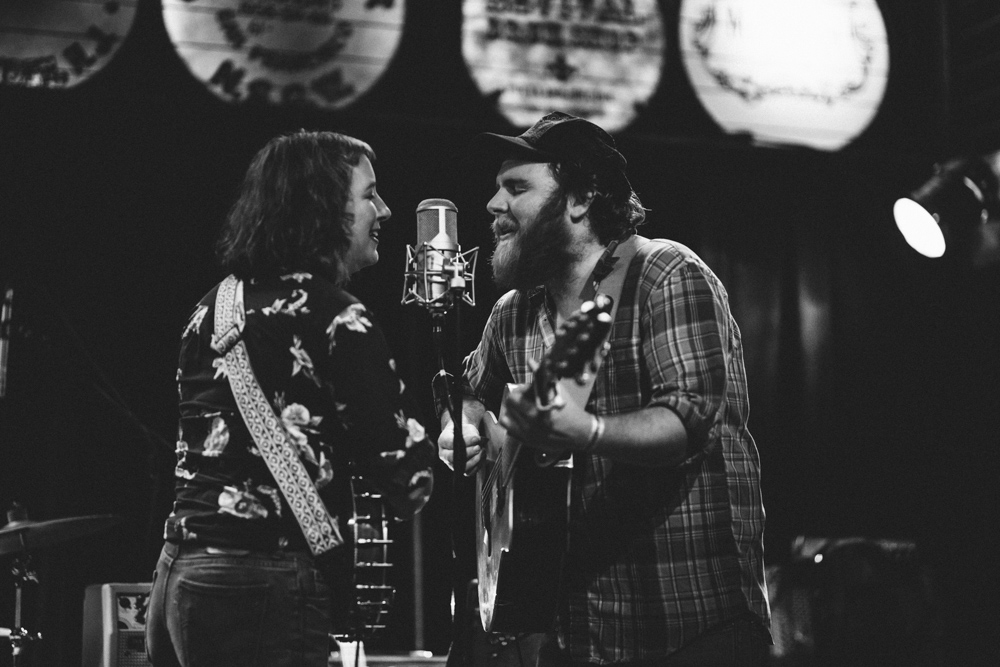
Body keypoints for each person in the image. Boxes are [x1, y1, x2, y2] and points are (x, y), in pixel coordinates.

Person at [437, 112, 770, 666]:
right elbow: (467, 393)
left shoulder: (664, 274)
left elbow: (688, 423)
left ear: (581, 199)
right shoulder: (513, 314)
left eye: (516, 187)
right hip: (574, 632)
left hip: (689, 623)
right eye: (497, 189)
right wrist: (462, 425)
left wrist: (586, 430)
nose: (493, 205)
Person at [146, 130, 435, 667]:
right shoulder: (335, 314)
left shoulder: (213, 305)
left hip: (178, 573)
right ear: (325, 207)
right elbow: (409, 483)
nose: (386, 210)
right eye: (369, 194)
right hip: (263, 581)